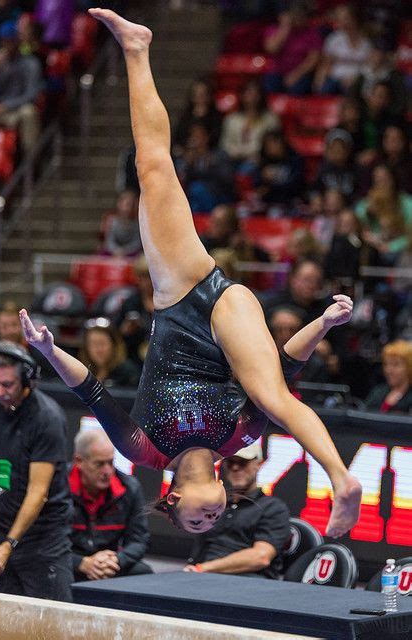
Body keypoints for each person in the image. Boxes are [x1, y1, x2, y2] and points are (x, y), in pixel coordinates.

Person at [19, 8, 361, 540]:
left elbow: (91, 390)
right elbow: (287, 366)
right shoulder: (239, 438)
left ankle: (137, 49)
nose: (212, 514)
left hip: (182, 295)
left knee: (153, 166)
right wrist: (322, 324)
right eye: (215, 517)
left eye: (197, 519)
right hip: (226, 310)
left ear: (171, 497)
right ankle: (341, 477)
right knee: (275, 397)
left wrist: (45, 349)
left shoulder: (144, 448)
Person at [0, 341, 73, 600]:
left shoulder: (46, 417)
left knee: (53, 625)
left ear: (26, 380)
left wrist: (9, 545)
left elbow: (38, 493)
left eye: (7, 385)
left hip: (44, 540)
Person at [184, 442, 290, 579]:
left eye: (242, 462)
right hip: (203, 577)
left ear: (258, 464)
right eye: (230, 462)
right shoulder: (215, 505)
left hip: (247, 582)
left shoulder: (273, 508)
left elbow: (261, 557)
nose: (235, 467)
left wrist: (204, 568)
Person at [70, 429, 152, 581]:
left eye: (110, 462)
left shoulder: (129, 488)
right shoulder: (59, 485)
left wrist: (117, 560)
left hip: (110, 564)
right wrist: (81, 563)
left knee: (143, 573)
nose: (107, 471)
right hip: (71, 563)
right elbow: (48, 541)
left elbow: (139, 540)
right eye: (99, 464)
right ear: (79, 461)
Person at [0, 19, 42, 153]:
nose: (7, 45)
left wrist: (4, 107)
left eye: (10, 41)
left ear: (17, 41)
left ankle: (30, 165)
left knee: (29, 112)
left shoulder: (31, 63)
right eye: (4, 41)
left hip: (14, 111)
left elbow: (31, 95)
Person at [263, 1, 322, 96]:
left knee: (298, 88)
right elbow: (271, 49)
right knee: (269, 86)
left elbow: (313, 60)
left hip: (301, 73)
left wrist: (296, 75)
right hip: (277, 72)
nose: (298, 18)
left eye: (301, 15)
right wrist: (285, 29)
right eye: (295, 15)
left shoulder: (312, 33)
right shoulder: (274, 29)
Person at [314, 4, 372, 95]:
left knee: (353, 90)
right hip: (336, 78)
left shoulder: (367, 41)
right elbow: (325, 63)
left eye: (345, 18)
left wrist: (356, 78)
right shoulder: (333, 39)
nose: (341, 21)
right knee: (325, 89)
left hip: (358, 79)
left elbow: (370, 66)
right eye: (339, 18)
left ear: (355, 19)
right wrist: (319, 81)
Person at [79, 318, 140, 388]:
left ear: (114, 345)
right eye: (93, 344)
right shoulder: (82, 372)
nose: (98, 350)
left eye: (102, 343)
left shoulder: (129, 373)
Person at [364, 340, 412, 414]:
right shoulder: (378, 392)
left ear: (409, 367)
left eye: (395, 365)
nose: (389, 370)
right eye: (386, 364)